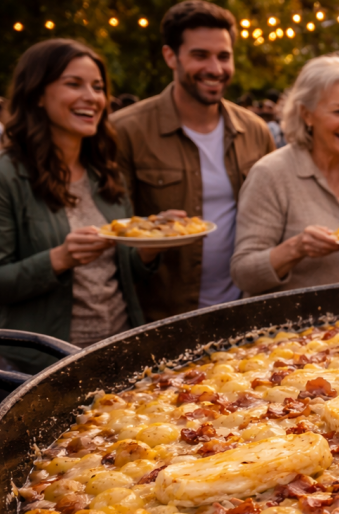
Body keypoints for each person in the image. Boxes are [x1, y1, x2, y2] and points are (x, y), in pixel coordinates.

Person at [0, 40, 169, 373]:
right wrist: (59, 259)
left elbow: (121, 271)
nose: (91, 97)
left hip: (117, 351)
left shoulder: (105, 171)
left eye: (97, 87)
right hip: (43, 363)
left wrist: (151, 244)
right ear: (37, 94)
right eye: (74, 84)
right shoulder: (7, 176)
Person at [112, 1, 275, 322]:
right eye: (200, 55)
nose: (215, 68)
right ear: (170, 56)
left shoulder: (255, 131)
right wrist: (153, 232)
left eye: (223, 56)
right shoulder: (125, 131)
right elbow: (112, 237)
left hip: (242, 312)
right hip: (162, 317)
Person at [231, 54, 339, 294]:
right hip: (293, 319)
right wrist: (296, 249)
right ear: (306, 114)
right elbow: (244, 274)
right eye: (338, 111)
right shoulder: (270, 174)